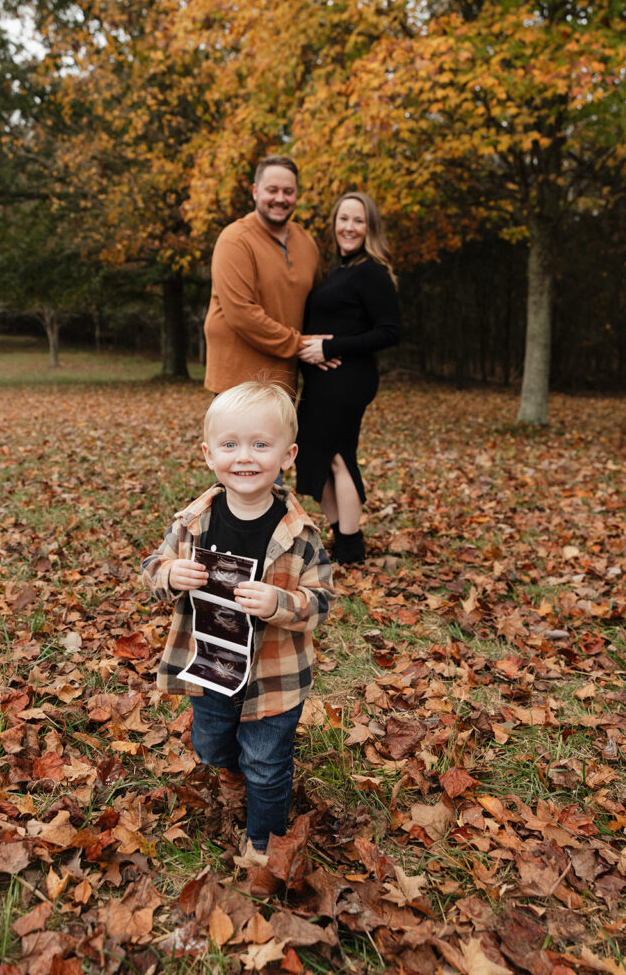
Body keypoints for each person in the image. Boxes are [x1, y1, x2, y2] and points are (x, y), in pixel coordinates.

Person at [142, 382, 335, 853]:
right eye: (230, 445)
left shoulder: (301, 536)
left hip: (274, 675)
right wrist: (171, 573)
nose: (244, 457)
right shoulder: (193, 523)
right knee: (210, 746)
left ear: (287, 455)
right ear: (209, 455)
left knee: (266, 765)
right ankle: (230, 774)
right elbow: (150, 569)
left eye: (260, 445)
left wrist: (280, 604)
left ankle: (263, 842)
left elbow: (323, 600)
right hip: (210, 664)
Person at [296, 192, 401, 564]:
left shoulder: (371, 271)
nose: (349, 227)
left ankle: (351, 548)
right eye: (343, 219)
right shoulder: (339, 270)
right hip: (323, 383)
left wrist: (331, 347)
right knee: (316, 458)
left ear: (369, 227)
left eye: (358, 220)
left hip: (348, 381)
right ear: (334, 224)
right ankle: (344, 539)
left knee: (338, 458)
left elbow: (390, 331)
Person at [203, 155, 321, 397]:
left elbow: (318, 303)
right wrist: (300, 345)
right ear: (255, 192)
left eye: (288, 191)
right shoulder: (235, 239)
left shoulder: (307, 243)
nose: (280, 198)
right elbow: (242, 314)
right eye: (272, 190)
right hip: (236, 386)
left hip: (282, 385)